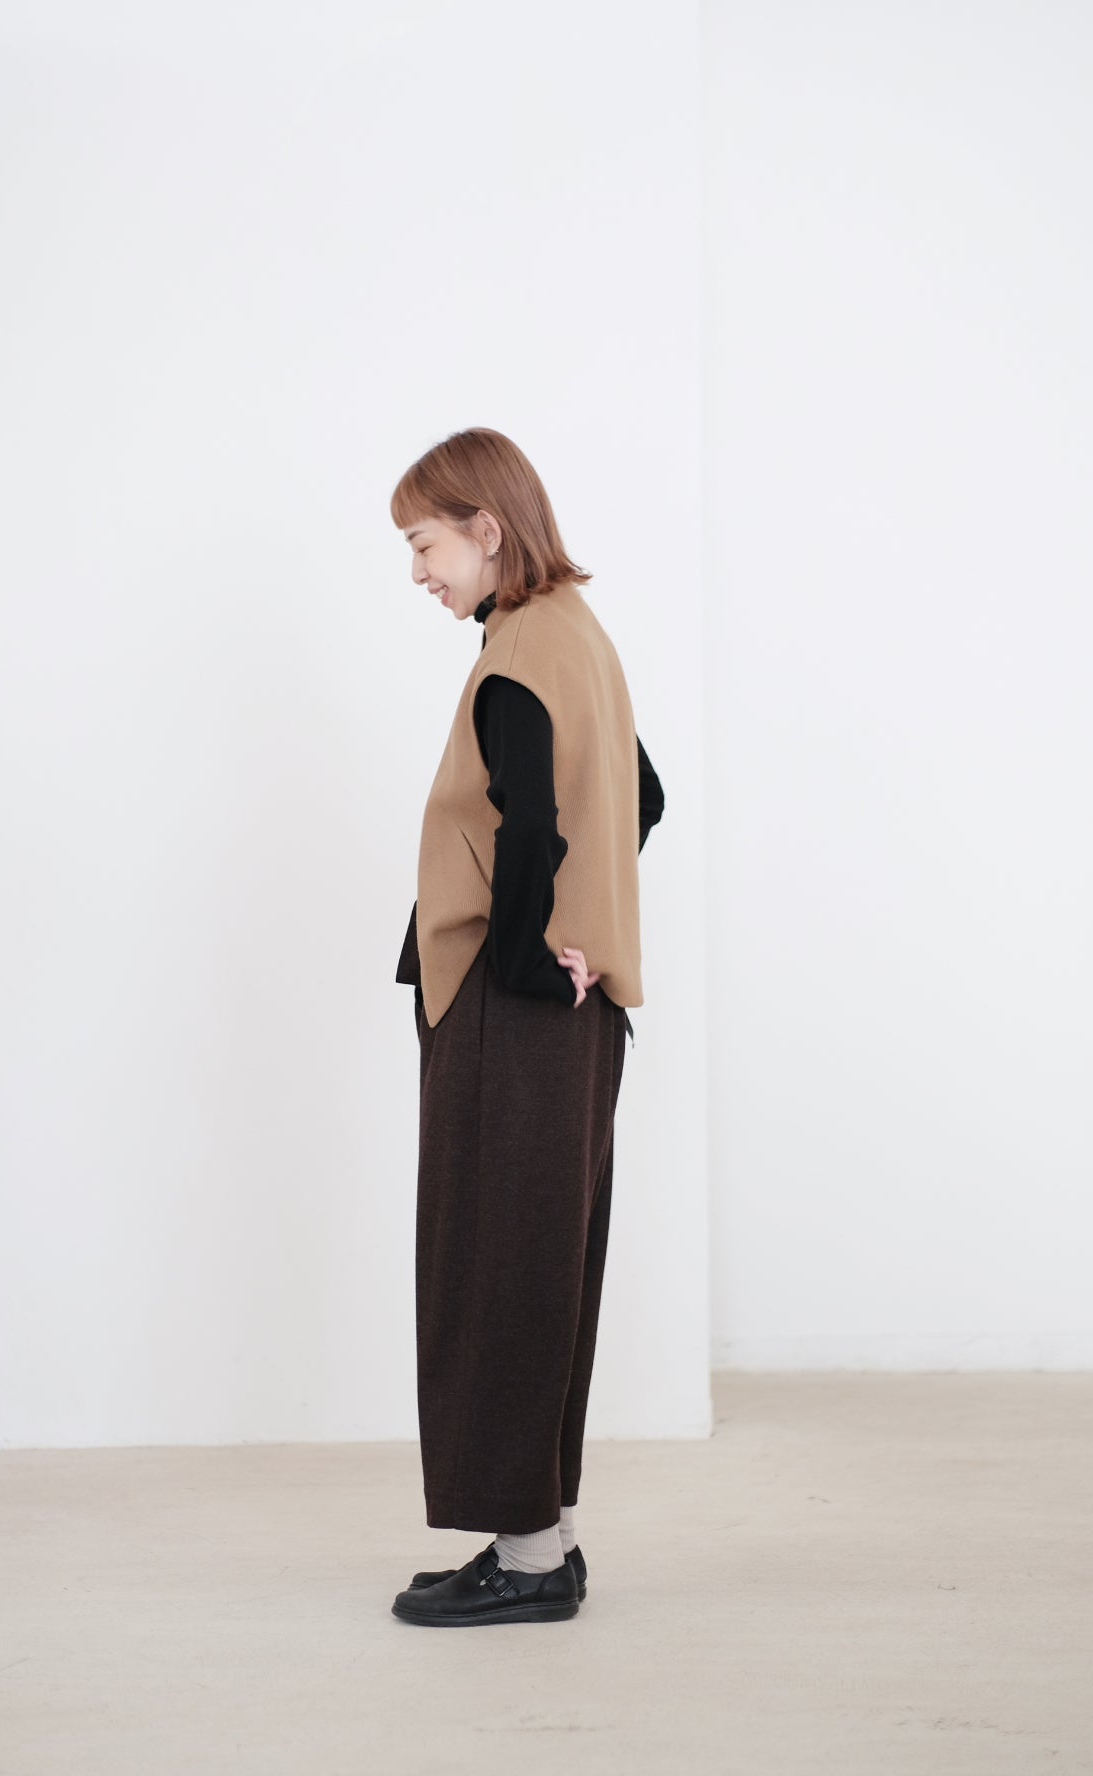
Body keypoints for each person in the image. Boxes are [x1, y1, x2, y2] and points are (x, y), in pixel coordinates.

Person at [387, 428, 664, 1627]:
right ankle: (545, 1542)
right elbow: (642, 796)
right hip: (570, 1022)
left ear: (485, 530)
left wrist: (525, 960)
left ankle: (531, 1563)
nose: (416, 572)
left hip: (512, 1022)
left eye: (424, 544)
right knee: (540, 1268)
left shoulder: (516, 659)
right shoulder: (573, 636)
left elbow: (530, 831)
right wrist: (581, 931)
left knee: (494, 1273)